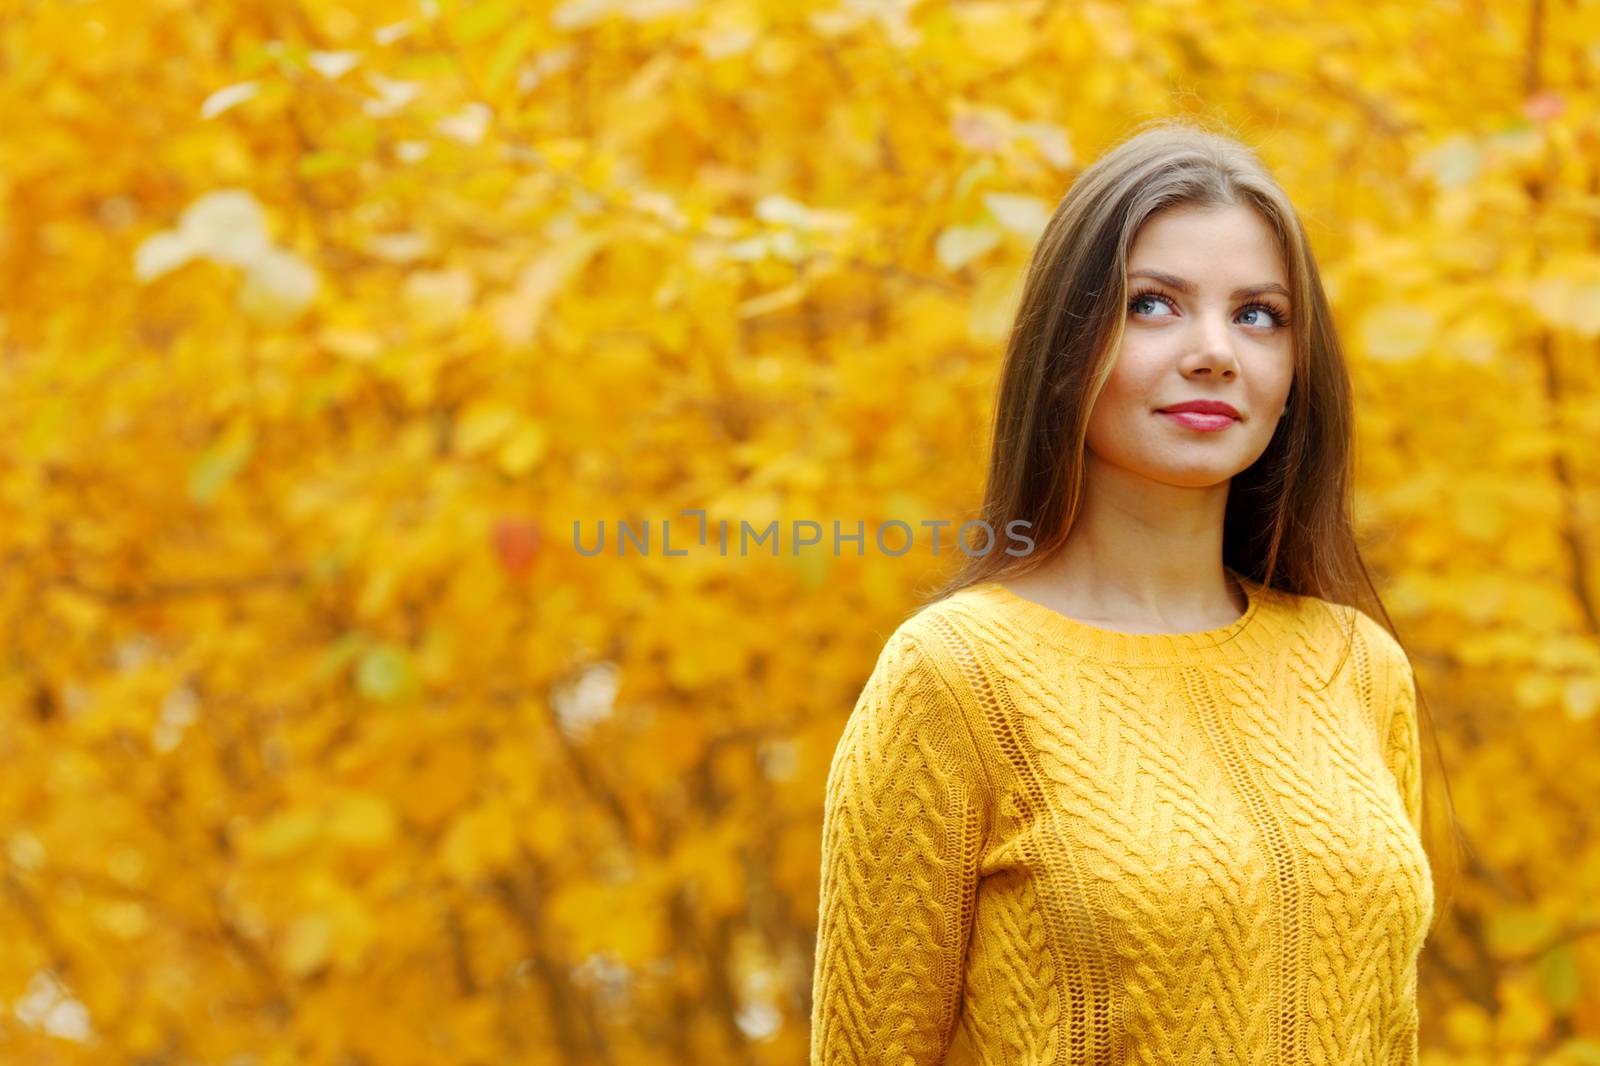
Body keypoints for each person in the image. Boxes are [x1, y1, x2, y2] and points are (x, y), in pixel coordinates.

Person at [809, 119, 1461, 1066]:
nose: (1214, 353)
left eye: (1258, 314)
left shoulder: (1355, 668)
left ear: (1296, 368)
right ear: (1066, 344)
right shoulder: (954, 676)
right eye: (1154, 304)